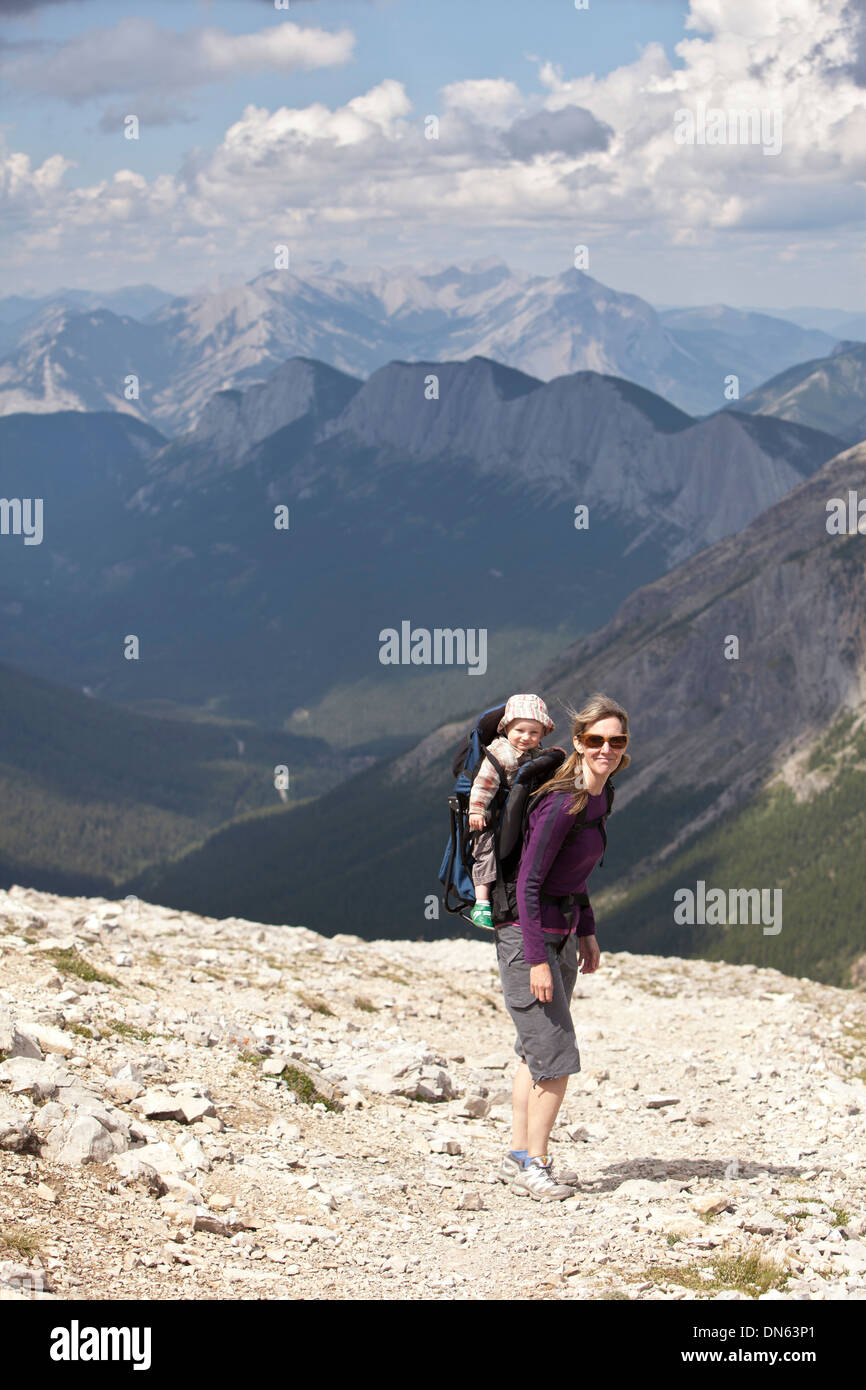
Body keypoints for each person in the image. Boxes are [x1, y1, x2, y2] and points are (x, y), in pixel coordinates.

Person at [493, 692, 631, 1200]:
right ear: (578, 742)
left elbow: (575, 873)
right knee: (556, 1057)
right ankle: (537, 1164)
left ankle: (518, 1153)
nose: (606, 749)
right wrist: (536, 961)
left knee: (533, 1052)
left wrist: (588, 930)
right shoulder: (560, 801)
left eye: (616, 741)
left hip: (563, 933)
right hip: (527, 938)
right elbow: (529, 883)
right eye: (596, 740)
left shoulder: (599, 797)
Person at [467, 694, 555, 930]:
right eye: (520, 730)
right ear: (506, 728)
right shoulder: (499, 755)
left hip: (517, 818)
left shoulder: (535, 754)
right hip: (490, 820)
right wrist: (476, 810)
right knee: (486, 855)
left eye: (533, 733)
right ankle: (482, 903)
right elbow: (483, 785)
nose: (526, 737)